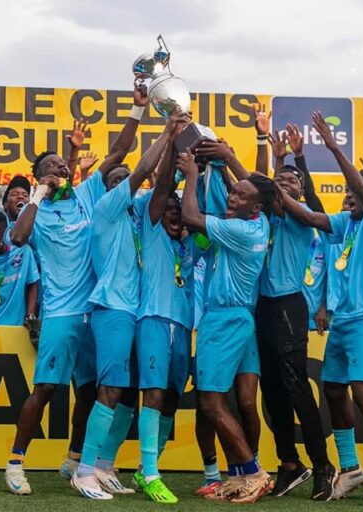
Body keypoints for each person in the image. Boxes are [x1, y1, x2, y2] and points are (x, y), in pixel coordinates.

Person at [4, 83, 145, 496]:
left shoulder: (86, 194)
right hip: (62, 313)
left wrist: (137, 110)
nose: (59, 170)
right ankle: (15, 463)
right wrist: (37, 195)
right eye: (49, 167)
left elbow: (118, 153)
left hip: (97, 311)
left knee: (89, 392)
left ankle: (74, 459)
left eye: (61, 166)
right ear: (39, 177)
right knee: (46, 389)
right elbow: (17, 238)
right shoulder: (35, 211)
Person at [280, 111, 363, 504]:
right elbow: (308, 214)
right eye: (346, 194)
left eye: (355, 193)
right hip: (343, 319)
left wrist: (334, 148)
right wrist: (275, 191)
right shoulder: (345, 224)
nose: (349, 197)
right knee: (333, 389)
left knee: (362, 389)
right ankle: (350, 468)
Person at [71, 112, 179, 500]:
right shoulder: (105, 209)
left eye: (124, 179)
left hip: (136, 311)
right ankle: (84, 470)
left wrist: (176, 143)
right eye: (115, 179)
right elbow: (143, 171)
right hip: (111, 308)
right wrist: (166, 131)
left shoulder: (137, 214)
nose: (122, 182)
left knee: (128, 392)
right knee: (111, 389)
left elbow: (162, 184)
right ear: (106, 188)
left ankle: (102, 465)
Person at [180, 150, 278, 504]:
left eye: (240, 195)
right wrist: (223, 165)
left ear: (255, 207)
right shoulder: (258, 222)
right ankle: (238, 476)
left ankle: (254, 472)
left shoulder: (239, 229)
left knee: (211, 402)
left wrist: (192, 174)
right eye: (232, 191)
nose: (232, 197)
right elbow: (248, 188)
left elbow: (190, 216)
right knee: (243, 401)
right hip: (241, 318)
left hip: (223, 320)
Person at [255, 122, 338, 500]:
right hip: (262, 307)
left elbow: (281, 192)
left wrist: (292, 160)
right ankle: (289, 463)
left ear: (301, 191)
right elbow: (261, 188)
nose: (284, 182)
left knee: (297, 387)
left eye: (292, 181)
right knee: (272, 390)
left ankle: (323, 466)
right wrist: (275, 160)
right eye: (280, 179)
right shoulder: (265, 216)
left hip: (289, 305)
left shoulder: (301, 216)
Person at [130, 117, 194, 504]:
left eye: (177, 209)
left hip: (183, 327)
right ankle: (152, 473)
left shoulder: (192, 243)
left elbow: (201, 209)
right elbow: (164, 186)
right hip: (153, 319)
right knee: (153, 393)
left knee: (171, 397)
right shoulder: (151, 230)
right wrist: (171, 137)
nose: (173, 212)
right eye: (167, 207)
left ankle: (146, 467)